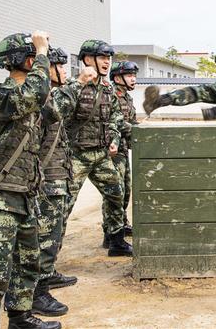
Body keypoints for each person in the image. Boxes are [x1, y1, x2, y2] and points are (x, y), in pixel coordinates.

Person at [0, 32, 60, 329]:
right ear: (22, 59)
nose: (38, 60)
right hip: (0, 197)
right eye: (34, 55)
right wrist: (44, 51)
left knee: (28, 262)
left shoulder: (30, 100)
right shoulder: (3, 96)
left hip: (25, 194)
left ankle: (19, 318)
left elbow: (53, 111)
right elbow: (35, 94)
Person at [32, 47, 98, 316]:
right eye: (59, 65)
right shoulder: (42, 97)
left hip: (57, 175)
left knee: (54, 232)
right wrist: (79, 81)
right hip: (45, 178)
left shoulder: (52, 93)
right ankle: (36, 292)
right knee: (43, 237)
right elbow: (54, 110)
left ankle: (46, 276)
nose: (64, 70)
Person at [63, 40, 132, 257]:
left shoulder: (107, 89)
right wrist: (80, 83)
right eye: (102, 57)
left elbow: (114, 117)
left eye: (108, 58)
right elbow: (58, 116)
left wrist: (113, 136)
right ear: (87, 59)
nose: (106, 62)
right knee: (63, 204)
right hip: (76, 155)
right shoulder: (73, 87)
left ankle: (116, 242)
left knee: (116, 194)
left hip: (101, 154)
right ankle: (45, 261)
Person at [102, 61, 139, 247]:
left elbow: (132, 122)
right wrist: (137, 131)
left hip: (123, 150)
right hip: (113, 150)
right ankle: (110, 233)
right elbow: (114, 122)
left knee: (125, 191)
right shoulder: (111, 95)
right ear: (118, 78)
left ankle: (121, 224)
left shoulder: (127, 97)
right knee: (114, 193)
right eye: (130, 75)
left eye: (134, 75)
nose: (134, 78)